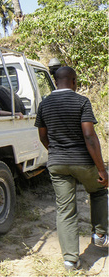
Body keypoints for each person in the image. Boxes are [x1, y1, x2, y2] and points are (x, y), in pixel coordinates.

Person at [34, 66, 108, 271]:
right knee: (99, 191)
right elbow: (89, 136)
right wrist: (102, 169)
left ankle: (70, 260)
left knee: (65, 209)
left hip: (57, 164)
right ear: (73, 81)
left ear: (56, 81)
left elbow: (42, 135)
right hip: (83, 161)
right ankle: (100, 236)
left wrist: (55, 151)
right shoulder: (82, 101)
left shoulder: (44, 104)